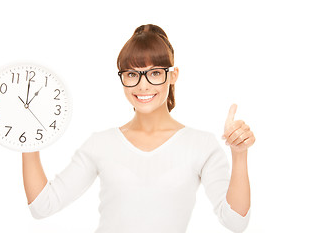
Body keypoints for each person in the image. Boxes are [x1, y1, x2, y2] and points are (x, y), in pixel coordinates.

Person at [22, 24, 255, 233]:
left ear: (172, 75)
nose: (143, 86)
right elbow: (43, 206)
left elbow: (235, 222)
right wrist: (28, 137)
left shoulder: (201, 145)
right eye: (132, 74)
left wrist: (239, 153)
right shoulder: (101, 144)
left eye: (154, 73)